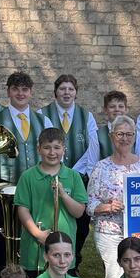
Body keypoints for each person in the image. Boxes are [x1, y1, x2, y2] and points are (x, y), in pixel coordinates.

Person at [37, 74, 98, 265]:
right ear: (55, 91)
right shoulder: (42, 113)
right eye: (62, 89)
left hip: (77, 175)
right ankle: (47, 257)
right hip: (49, 173)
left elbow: (92, 146)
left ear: (76, 93)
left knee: (80, 224)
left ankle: (74, 259)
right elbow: (40, 143)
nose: (66, 93)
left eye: (71, 89)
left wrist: (72, 172)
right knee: (49, 216)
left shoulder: (87, 116)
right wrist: (56, 168)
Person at [86, 116, 140, 278]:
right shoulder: (101, 167)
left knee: (139, 276)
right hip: (110, 231)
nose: (125, 138)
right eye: (120, 134)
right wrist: (107, 207)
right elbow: (90, 205)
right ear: (111, 136)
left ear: (135, 137)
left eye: (129, 134)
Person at [14, 128, 88, 273]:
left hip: (64, 247)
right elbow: (22, 209)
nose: (52, 152)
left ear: (64, 150)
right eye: (47, 148)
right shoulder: (27, 177)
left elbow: (79, 212)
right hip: (34, 246)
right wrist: (38, 234)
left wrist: (63, 195)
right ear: (38, 149)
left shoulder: (73, 176)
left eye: (57, 148)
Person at [0, 72, 44, 268]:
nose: (20, 93)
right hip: (5, 188)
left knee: (33, 228)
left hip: (36, 188)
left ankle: (33, 268)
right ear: (8, 92)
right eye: (16, 89)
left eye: (25, 89)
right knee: (4, 233)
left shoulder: (43, 120)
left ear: (31, 93)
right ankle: (4, 270)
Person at [95, 90, 130, 163]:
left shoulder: (135, 134)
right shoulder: (97, 136)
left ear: (126, 109)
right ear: (105, 110)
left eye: (121, 106)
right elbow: (91, 165)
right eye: (112, 106)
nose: (117, 109)